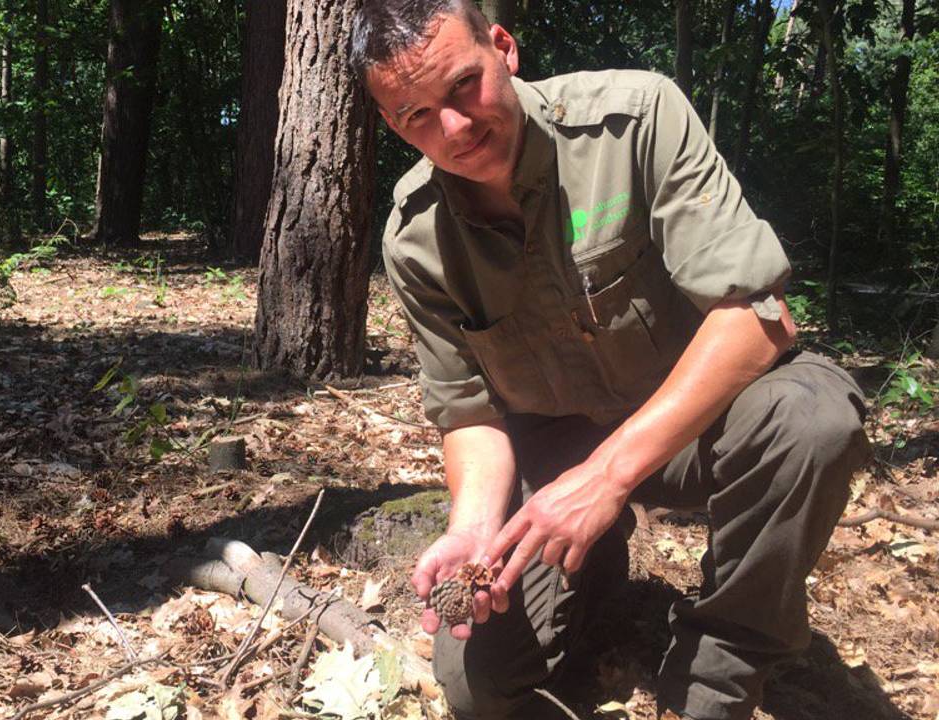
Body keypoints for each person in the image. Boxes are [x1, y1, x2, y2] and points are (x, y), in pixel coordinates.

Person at [348, 2, 871, 719]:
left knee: (812, 417)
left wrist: (607, 477)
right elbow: (470, 414)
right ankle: (592, 572)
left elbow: (758, 319)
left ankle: (717, 673)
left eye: (464, 84)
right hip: (557, 456)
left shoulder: (634, 120)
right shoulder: (415, 237)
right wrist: (472, 529)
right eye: (417, 115)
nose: (455, 127)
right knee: (480, 689)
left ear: (503, 48)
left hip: (701, 425)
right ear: (391, 123)